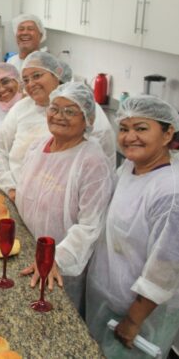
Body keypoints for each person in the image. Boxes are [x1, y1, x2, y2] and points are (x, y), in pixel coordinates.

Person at [86, 96, 179, 358]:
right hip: (108, 293)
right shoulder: (130, 166)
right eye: (124, 129)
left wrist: (134, 320)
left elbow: (166, 267)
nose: (130, 137)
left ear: (167, 133)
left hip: (141, 315)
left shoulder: (170, 192)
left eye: (141, 128)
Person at [16, 82, 114, 314]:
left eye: (70, 111)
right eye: (54, 108)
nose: (59, 116)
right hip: (27, 251)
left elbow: (90, 225)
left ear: (88, 119)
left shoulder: (91, 162)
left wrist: (55, 259)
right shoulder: (41, 145)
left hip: (58, 267)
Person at [0, 51, 116, 201]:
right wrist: (10, 188)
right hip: (18, 198)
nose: (31, 84)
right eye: (26, 80)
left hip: (63, 208)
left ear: (57, 75)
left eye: (37, 76)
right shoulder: (21, 109)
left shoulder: (86, 110)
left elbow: (102, 172)